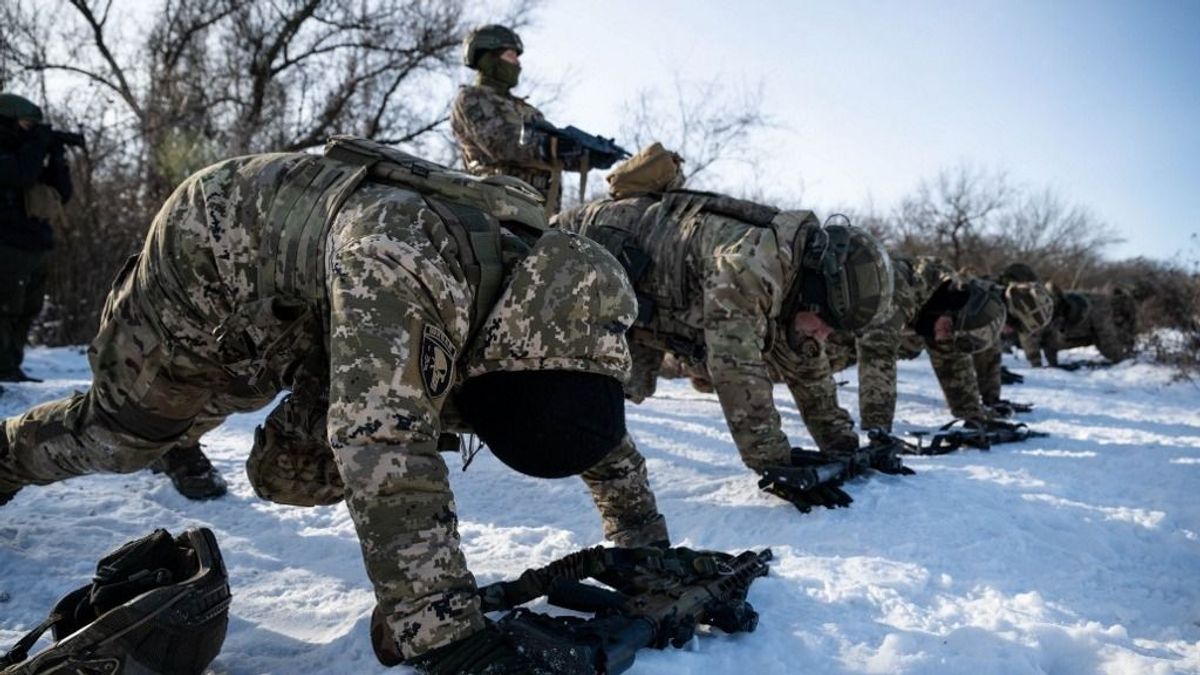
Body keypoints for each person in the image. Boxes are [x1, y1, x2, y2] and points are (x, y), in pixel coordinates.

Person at [0, 136, 668, 671]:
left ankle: (212, 421)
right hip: (210, 264)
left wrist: (643, 542)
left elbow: (585, 416)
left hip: (313, 311)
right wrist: (447, 633)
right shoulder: (407, 260)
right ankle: (6, 457)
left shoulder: (556, 307)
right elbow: (386, 446)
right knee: (127, 434)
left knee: (290, 469)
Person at [553, 143, 895, 493]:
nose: (823, 336)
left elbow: (807, 367)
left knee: (626, 388)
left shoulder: (796, 282)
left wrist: (843, 447)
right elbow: (736, 369)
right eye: (828, 325)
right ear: (818, 296)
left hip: (641, 301)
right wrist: (775, 461)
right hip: (575, 255)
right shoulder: (752, 265)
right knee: (585, 400)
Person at [825, 255, 1009, 431]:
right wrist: (878, 428)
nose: (941, 338)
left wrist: (972, 415)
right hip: (821, 322)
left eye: (951, 338)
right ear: (953, 307)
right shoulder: (898, 291)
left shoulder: (944, 313)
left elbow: (953, 364)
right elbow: (878, 357)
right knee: (808, 366)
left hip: (848, 336)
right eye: (948, 329)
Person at [451, 24, 595, 217]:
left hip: (540, 214)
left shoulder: (528, 110)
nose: (518, 64)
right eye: (511, 56)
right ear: (489, 59)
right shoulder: (472, 99)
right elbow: (502, 144)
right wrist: (548, 146)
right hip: (494, 210)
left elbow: (553, 155)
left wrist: (585, 154)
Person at [0, 93, 72, 383]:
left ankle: (10, 367)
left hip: (33, 245)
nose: (31, 130)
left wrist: (56, 156)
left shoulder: (28, 151)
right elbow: (19, 174)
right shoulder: (13, 154)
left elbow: (61, 193)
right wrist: (37, 143)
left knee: (28, 308)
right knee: (5, 309)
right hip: (6, 244)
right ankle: (4, 372)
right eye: (26, 124)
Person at [1026, 284, 1138, 367]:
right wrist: (1036, 362)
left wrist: (1121, 358)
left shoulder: (1099, 309)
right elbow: (1031, 335)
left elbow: (1106, 341)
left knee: (1107, 334)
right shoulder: (1048, 308)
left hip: (1079, 328)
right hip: (1061, 334)